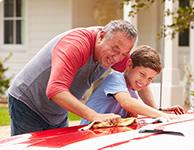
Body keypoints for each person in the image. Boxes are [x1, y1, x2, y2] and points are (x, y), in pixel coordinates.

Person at [7, 19, 157, 136]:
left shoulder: (118, 49)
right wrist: (94, 116)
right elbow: (55, 90)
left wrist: (156, 111)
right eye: (114, 49)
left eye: (124, 54)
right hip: (28, 102)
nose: (117, 58)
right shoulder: (76, 45)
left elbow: (136, 74)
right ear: (101, 36)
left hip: (58, 111)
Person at [80, 45, 184, 125]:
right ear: (129, 64)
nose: (144, 82)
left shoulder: (131, 91)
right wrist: (163, 115)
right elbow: (127, 103)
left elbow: (136, 109)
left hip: (105, 132)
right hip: (88, 131)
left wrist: (159, 110)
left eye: (150, 78)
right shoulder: (116, 78)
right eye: (142, 74)